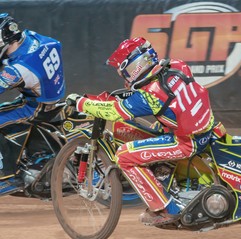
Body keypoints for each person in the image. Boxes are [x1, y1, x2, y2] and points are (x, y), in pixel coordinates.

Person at [66, 37, 216, 226]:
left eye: (124, 71)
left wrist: (81, 102)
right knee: (154, 129)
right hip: (207, 127)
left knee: (125, 156)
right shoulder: (178, 66)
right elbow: (176, 103)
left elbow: (114, 112)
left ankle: (166, 209)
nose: (124, 77)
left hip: (186, 142)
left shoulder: (149, 95)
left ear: (135, 66)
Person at [0, 13, 65, 180]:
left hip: (36, 107)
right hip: (52, 94)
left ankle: (7, 170)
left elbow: (9, 75)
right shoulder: (33, 37)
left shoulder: (18, 70)